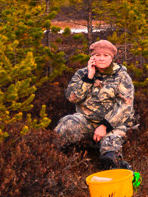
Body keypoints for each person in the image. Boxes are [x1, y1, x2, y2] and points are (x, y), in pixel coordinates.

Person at [54, 39, 136, 170]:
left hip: (114, 124)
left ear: (112, 58)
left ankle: (116, 167)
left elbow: (125, 106)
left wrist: (104, 126)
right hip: (87, 120)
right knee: (66, 124)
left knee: (109, 155)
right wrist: (89, 78)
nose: (101, 59)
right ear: (91, 57)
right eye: (97, 55)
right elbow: (72, 98)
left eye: (105, 55)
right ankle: (52, 161)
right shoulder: (82, 74)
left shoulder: (121, 76)